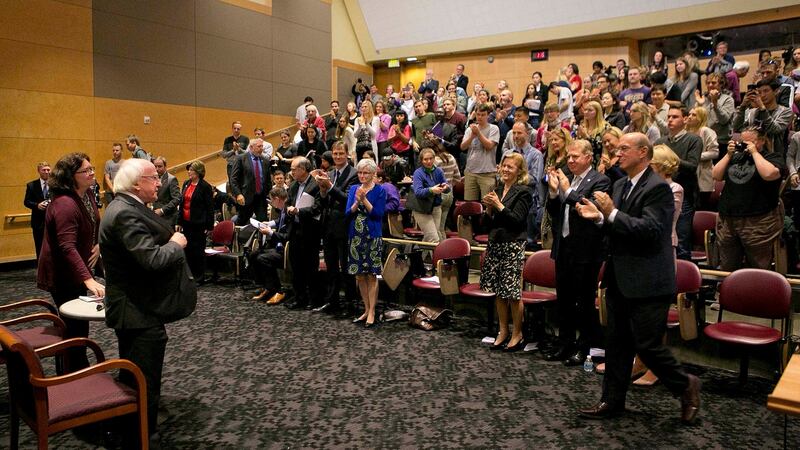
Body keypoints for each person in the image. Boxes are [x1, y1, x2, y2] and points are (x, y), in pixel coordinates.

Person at [575, 132, 700, 424]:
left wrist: (611, 213)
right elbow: (617, 226)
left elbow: (651, 231)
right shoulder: (620, 184)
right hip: (621, 275)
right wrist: (598, 217)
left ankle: (686, 385)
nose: (618, 153)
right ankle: (611, 401)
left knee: (647, 345)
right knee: (616, 343)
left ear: (644, 152)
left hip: (649, 280)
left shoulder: (659, 188)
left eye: (624, 148)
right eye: (617, 149)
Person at [100, 158, 190, 443]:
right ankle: (141, 432)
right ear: (138, 183)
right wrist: (175, 244)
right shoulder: (125, 213)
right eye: (154, 178)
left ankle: (135, 423)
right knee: (143, 376)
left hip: (137, 305)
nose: (159, 182)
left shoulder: (127, 206)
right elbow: (150, 260)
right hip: (135, 310)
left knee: (135, 372)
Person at [543, 140, 610, 365]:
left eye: (575, 157)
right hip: (563, 248)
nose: (570, 160)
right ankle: (565, 344)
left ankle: (584, 348)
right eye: (569, 157)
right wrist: (553, 193)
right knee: (564, 301)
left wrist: (565, 189)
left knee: (583, 303)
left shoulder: (600, 180)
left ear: (589, 158)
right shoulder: (567, 179)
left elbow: (585, 208)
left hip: (586, 252)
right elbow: (554, 212)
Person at [36, 152, 104, 372]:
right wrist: (88, 279)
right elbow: (67, 246)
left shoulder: (87, 194)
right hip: (63, 274)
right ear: (70, 176)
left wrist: (97, 244)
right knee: (75, 327)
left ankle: (77, 369)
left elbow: (94, 222)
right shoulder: (65, 203)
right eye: (85, 170)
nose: (92, 172)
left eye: (92, 168)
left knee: (79, 326)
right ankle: (72, 376)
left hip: (78, 269)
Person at [631, 144, 684, 386]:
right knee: (639, 312)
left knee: (655, 313)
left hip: (661, 252)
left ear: (660, 166)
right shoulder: (641, 186)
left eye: (651, 166)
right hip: (640, 251)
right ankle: (640, 361)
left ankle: (655, 368)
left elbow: (661, 221)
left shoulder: (674, 189)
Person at [481, 152, 533, 352]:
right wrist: (488, 209)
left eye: (510, 167)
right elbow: (486, 224)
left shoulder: (523, 192)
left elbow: (517, 220)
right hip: (495, 242)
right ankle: (503, 331)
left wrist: (499, 206)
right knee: (499, 292)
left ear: (519, 171)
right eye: (504, 166)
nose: (505, 169)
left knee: (512, 292)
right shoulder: (498, 189)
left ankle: (517, 332)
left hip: (513, 243)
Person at [712, 126, 783, 271]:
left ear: (762, 141)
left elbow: (769, 174)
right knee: (727, 265)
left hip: (758, 221)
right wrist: (728, 155)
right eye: (742, 141)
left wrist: (755, 152)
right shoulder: (735, 157)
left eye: (750, 142)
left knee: (758, 265)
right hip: (729, 219)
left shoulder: (773, 157)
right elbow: (716, 175)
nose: (745, 145)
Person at [316, 141, 359, 316]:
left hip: (345, 224)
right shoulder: (331, 173)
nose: (338, 156)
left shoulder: (354, 174)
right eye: (335, 154)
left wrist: (329, 187)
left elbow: (347, 199)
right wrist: (322, 190)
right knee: (331, 266)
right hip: (328, 226)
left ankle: (350, 304)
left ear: (347, 154)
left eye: (341, 153)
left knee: (347, 267)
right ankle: (332, 301)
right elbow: (325, 200)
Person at [654, 106, 703, 260]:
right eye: (668, 116)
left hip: (685, 195)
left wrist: (670, 158)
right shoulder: (661, 141)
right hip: (660, 193)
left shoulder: (694, 140)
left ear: (685, 119)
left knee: (680, 240)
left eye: (675, 117)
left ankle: (683, 278)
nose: (670, 120)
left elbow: (692, 166)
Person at [346, 158, 387, 328]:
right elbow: (348, 212)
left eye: (366, 173)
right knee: (360, 275)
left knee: (371, 274)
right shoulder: (354, 189)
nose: (362, 176)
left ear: (372, 174)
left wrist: (365, 200)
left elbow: (378, 214)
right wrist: (357, 201)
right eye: (360, 173)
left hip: (372, 235)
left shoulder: (380, 190)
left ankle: (372, 311)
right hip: (355, 235)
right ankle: (366, 308)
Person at [285, 156, 322, 310]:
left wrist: (299, 211)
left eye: (294, 169)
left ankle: (313, 300)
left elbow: (317, 208)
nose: (291, 172)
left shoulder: (315, 185)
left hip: (310, 232)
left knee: (310, 267)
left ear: (303, 169)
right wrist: (289, 210)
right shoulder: (293, 186)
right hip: (295, 231)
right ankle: (299, 297)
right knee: (297, 267)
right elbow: (288, 203)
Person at [732, 78, 794, 157]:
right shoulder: (752, 112)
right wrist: (743, 106)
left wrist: (762, 107)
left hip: (774, 156)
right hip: (751, 154)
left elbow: (774, 129)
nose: (762, 95)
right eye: (759, 92)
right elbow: (737, 128)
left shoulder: (786, 112)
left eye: (766, 91)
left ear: (776, 91)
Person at [249, 187, 290, 304]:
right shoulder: (283, 209)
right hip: (279, 246)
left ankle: (278, 290)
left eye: (271, 201)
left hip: (287, 249)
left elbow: (287, 236)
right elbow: (279, 221)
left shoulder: (289, 210)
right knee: (253, 254)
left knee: (263, 258)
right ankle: (267, 287)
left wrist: (270, 232)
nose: (271, 203)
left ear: (277, 199)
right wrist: (269, 224)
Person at [178, 160, 214, 282]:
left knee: (198, 250)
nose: (189, 172)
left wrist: (209, 226)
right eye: (189, 169)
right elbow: (182, 204)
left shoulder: (205, 187)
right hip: (187, 222)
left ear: (198, 172)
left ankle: (199, 277)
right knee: (187, 250)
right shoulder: (186, 184)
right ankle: (190, 274)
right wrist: (179, 221)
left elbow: (210, 208)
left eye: (191, 170)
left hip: (199, 223)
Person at [461, 102, 499, 200]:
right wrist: (471, 137)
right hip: (470, 172)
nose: (480, 117)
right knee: (470, 204)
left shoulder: (494, 128)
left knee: (487, 204)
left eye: (483, 115)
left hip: (487, 173)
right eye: (478, 114)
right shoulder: (470, 130)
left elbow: (489, 146)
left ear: (488, 115)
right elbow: (463, 147)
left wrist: (478, 133)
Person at [410, 148, 450, 243]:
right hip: (422, 209)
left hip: (436, 207)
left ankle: (421, 256)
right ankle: (435, 258)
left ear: (434, 158)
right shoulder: (418, 173)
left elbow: (447, 187)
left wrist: (445, 187)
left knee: (432, 237)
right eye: (425, 159)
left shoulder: (438, 171)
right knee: (434, 238)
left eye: (431, 158)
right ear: (421, 160)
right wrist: (431, 190)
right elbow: (418, 192)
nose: (428, 161)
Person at [230, 137, 271, 225]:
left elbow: (267, 180)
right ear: (251, 147)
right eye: (259, 146)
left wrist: (268, 192)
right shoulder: (241, 159)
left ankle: (261, 239)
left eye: (262, 146)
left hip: (261, 198)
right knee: (241, 223)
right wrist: (238, 194)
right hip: (245, 198)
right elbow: (233, 179)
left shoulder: (265, 161)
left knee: (263, 223)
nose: (261, 149)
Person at [685, 107, 719, 210]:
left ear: (701, 117)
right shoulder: (685, 132)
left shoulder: (706, 131)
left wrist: (694, 157)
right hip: (689, 176)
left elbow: (714, 152)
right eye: (689, 114)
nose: (690, 117)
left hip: (703, 175)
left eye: (694, 115)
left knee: (702, 208)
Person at [24, 161, 51, 260]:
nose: (46, 172)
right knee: (40, 248)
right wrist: (37, 205)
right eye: (44, 170)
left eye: (48, 169)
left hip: (53, 221)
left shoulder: (55, 185)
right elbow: (26, 201)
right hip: (38, 222)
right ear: (39, 171)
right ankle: (41, 270)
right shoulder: (31, 185)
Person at [576, 101, 610, 165]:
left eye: (590, 110)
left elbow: (600, 147)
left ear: (597, 112)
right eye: (585, 110)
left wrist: (586, 137)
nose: (586, 112)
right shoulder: (582, 126)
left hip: (598, 161)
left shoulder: (605, 127)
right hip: (584, 162)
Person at [152, 156, 181, 226]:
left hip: (168, 218)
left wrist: (162, 210)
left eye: (159, 166)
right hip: (155, 216)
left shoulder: (171, 179)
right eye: (155, 166)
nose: (157, 169)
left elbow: (177, 199)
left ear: (165, 167)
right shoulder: (153, 178)